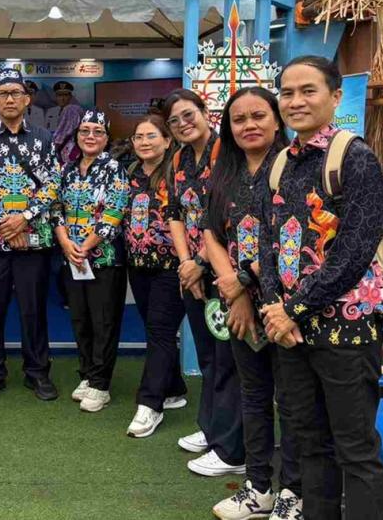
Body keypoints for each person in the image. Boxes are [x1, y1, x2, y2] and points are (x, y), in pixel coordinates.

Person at [259, 56, 383, 520]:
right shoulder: (281, 162)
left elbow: (354, 252)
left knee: (356, 449)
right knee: (308, 442)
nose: (295, 101)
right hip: (290, 332)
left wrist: (291, 309)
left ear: (335, 97)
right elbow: (267, 243)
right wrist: (274, 308)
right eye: (287, 92)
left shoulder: (355, 158)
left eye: (308, 90)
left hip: (345, 329)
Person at [203, 88, 303, 520]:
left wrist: (243, 284)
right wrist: (235, 290)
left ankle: (294, 492)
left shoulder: (294, 169)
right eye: (239, 119)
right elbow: (210, 233)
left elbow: (288, 239)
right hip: (240, 305)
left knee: (293, 402)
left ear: (278, 119)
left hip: (289, 307)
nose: (249, 125)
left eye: (258, 115)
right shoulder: (225, 174)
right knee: (254, 395)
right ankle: (258, 487)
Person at [0, 67, 61, 402]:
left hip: (34, 241)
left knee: (33, 310)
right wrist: (5, 223)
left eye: (16, 93)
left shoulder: (44, 139)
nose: (9, 99)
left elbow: (53, 183)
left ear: (27, 100)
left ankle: (38, 373)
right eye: (3, 93)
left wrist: (25, 219)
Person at [166, 89, 246, 477]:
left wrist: (200, 263)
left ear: (204, 111)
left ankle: (232, 449)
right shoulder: (178, 159)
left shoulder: (228, 153)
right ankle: (212, 427)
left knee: (230, 359)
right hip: (193, 272)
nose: (183, 124)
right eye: (174, 121)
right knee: (208, 355)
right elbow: (175, 213)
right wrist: (186, 263)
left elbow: (230, 215)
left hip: (228, 271)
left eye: (188, 114)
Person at [54, 110, 129, 413]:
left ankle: (100, 384)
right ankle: (86, 374)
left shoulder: (115, 169)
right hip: (72, 259)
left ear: (107, 137)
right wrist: (65, 243)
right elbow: (55, 208)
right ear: (76, 135)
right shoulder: (68, 169)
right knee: (80, 319)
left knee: (103, 322)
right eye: (84, 130)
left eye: (98, 131)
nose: (90, 136)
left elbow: (115, 211)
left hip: (105, 259)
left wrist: (85, 246)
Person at [123, 115, 188, 438]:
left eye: (151, 136)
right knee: (155, 329)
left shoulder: (178, 174)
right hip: (138, 265)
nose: (144, 142)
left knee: (161, 330)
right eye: (139, 137)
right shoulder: (131, 173)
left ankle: (150, 404)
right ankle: (174, 388)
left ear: (167, 140)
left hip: (171, 266)